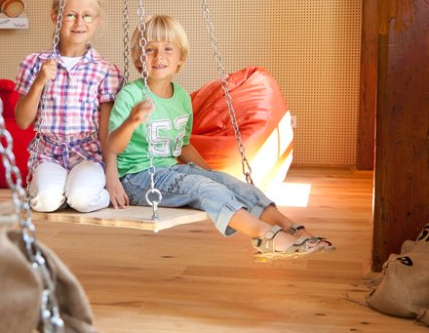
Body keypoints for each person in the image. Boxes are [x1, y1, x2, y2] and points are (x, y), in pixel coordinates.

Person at [107, 15, 333, 259]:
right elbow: (113, 147)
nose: (159, 56)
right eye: (150, 49)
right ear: (139, 58)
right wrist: (131, 122)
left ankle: (294, 230)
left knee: (232, 184)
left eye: (167, 49)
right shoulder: (131, 96)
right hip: (138, 178)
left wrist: (211, 172)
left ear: (180, 58)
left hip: (170, 170)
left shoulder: (181, 97)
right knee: (203, 188)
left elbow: (182, 145)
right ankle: (266, 237)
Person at [15, 0, 123, 213]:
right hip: (48, 155)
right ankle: (54, 192)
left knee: (82, 200)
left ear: (97, 21)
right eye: (71, 15)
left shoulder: (106, 70)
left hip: (88, 156)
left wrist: (111, 175)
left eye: (87, 16)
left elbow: (106, 129)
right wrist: (39, 82)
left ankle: (84, 192)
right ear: (55, 17)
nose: (79, 23)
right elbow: (22, 121)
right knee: (45, 202)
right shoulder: (35, 63)